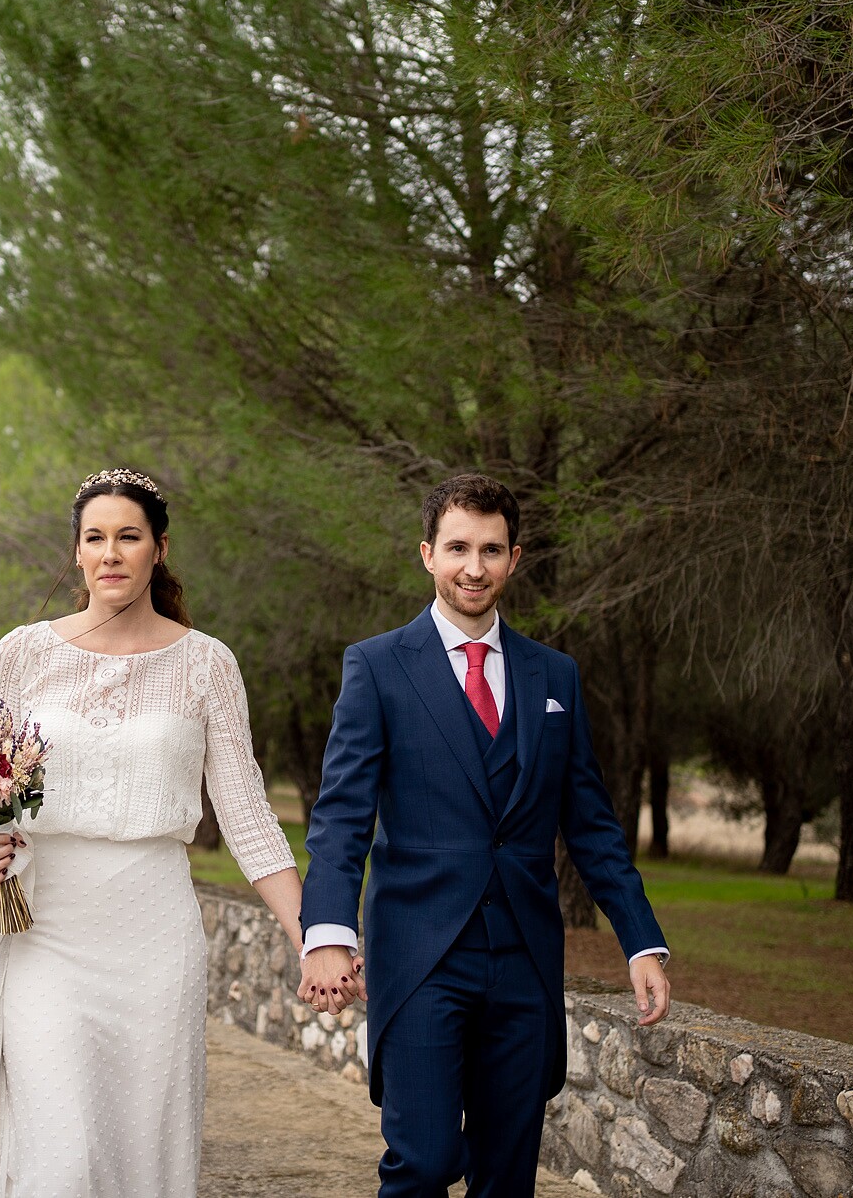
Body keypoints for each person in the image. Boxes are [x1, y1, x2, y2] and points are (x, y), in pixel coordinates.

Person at [0, 469, 303, 1198]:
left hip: (154, 935)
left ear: (159, 549)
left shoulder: (208, 664)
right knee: (59, 1158)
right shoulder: (22, 653)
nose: (111, 553)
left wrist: (313, 935)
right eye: (95, 538)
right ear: (77, 553)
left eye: (129, 537)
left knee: (145, 1156)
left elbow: (248, 817)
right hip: (45, 928)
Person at [299, 475, 671, 1197]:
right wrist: (328, 931)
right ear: (427, 554)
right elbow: (341, 815)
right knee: (427, 1160)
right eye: (459, 547)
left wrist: (641, 940)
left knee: (506, 1177)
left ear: (515, 557)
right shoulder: (376, 666)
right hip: (421, 955)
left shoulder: (553, 673)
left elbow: (590, 823)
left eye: (492, 549)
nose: (475, 566)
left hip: (525, 962)